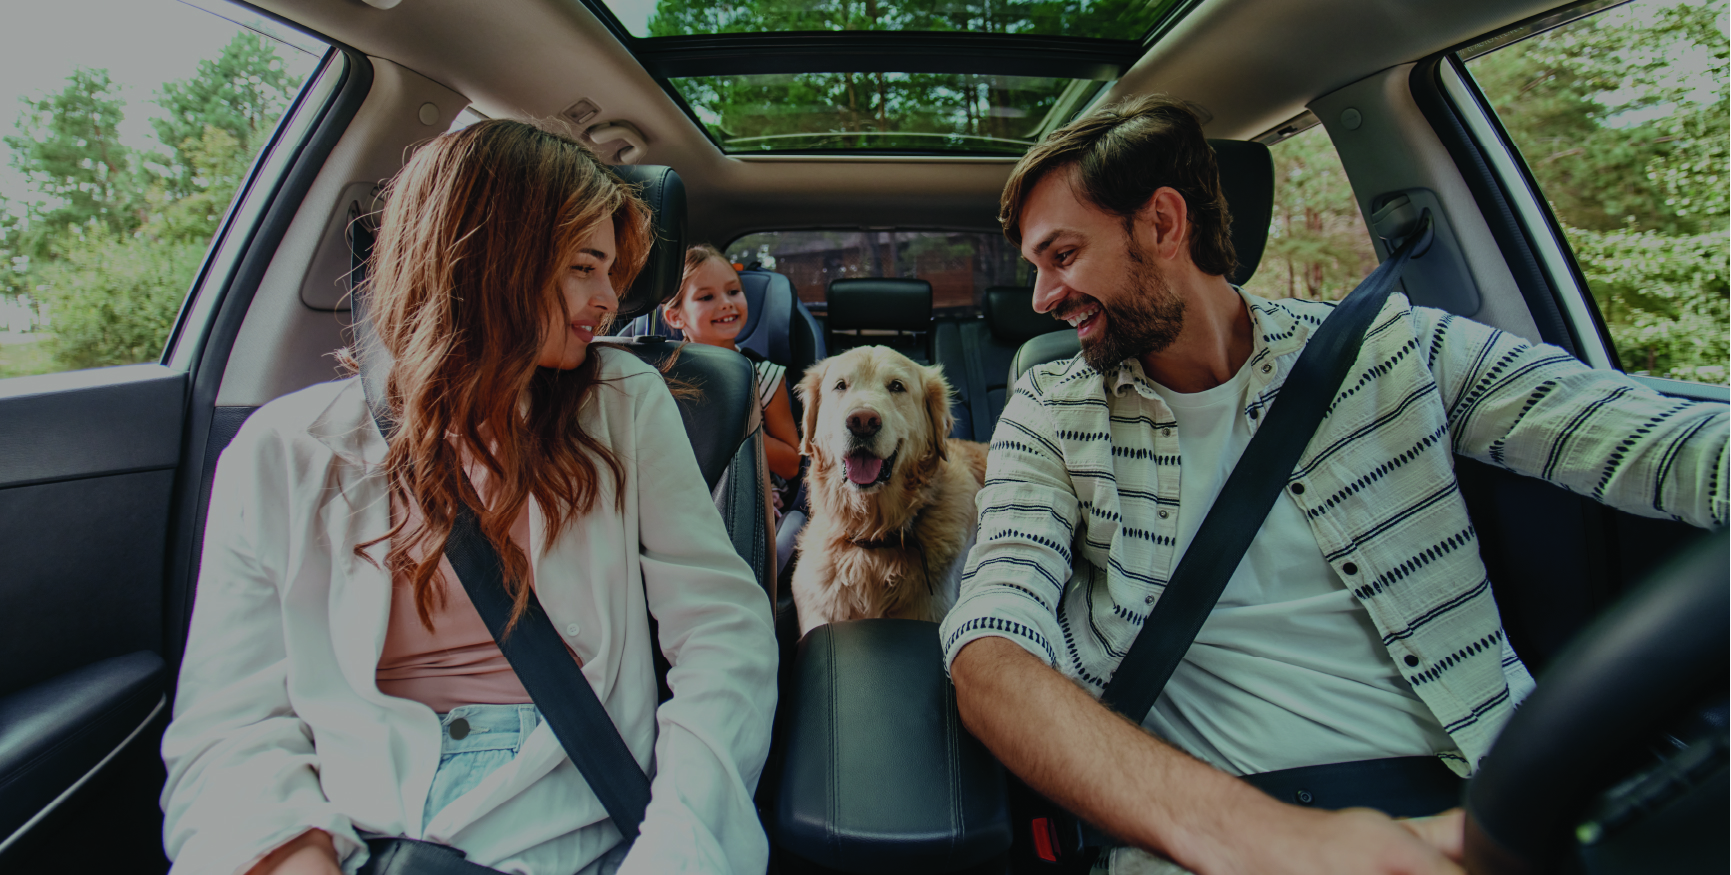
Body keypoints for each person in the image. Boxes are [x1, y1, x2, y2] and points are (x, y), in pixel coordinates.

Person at [940, 94, 1728, 875]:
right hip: (1209, 833)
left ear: (1161, 224)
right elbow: (990, 648)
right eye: (1037, 265)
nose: (1041, 298)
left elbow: (1660, 443)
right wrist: (1257, 838)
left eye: (1062, 255)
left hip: (1485, 805)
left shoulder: (1396, 347)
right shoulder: (1048, 410)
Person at [161, 120, 778, 875]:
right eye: (586, 267)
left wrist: (681, 843)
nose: (610, 300)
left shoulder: (624, 401)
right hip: (358, 823)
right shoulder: (282, 449)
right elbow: (229, 721)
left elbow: (722, 632)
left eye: (612, 272)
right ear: (492, 257)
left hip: (576, 815)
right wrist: (289, 852)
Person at [661, 243, 802, 489]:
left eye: (734, 291)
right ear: (676, 316)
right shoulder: (663, 376)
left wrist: (737, 427)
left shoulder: (765, 376)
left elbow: (791, 466)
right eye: (706, 297)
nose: (726, 303)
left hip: (749, 499)